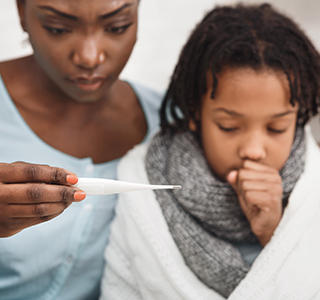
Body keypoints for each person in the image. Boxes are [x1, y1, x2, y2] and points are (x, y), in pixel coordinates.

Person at [101, 3, 320, 300]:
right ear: (195, 113)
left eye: (276, 128)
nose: (254, 150)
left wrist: (274, 232)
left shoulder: (313, 189)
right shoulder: (141, 185)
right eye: (229, 126)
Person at [0, 0, 162, 299]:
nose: (90, 57)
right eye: (58, 29)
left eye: (117, 27)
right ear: (21, 12)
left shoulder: (172, 125)